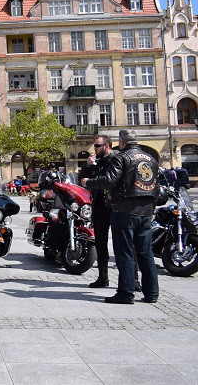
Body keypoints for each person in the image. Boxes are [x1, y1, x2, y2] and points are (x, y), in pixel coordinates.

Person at [82, 129, 159, 304]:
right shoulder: (150, 159)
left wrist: (89, 182)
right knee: (145, 253)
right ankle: (152, 293)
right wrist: (151, 210)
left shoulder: (122, 157)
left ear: (122, 142)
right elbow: (157, 187)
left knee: (124, 252)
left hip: (124, 210)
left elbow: (110, 180)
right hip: (146, 211)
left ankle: (126, 292)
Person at [79, 135, 115, 288]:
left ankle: (132, 280)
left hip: (115, 205)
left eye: (97, 146)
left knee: (123, 243)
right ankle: (103, 277)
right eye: (94, 145)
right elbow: (82, 180)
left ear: (106, 146)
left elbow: (109, 181)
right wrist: (88, 166)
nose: (94, 148)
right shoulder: (97, 162)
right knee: (100, 243)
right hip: (100, 205)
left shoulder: (117, 160)